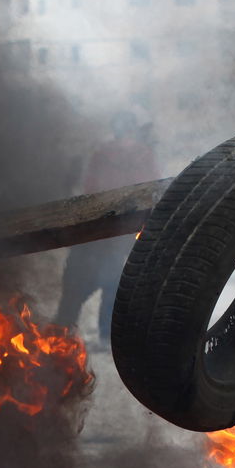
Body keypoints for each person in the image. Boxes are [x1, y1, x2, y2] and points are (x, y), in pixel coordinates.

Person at [53, 109, 159, 346]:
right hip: (120, 229)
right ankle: (97, 334)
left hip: (103, 227)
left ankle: (67, 330)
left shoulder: (104, 153)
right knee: (107, 281)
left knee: (87, 281)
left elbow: (91, 189)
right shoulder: (141, 154)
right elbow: (151, 190)